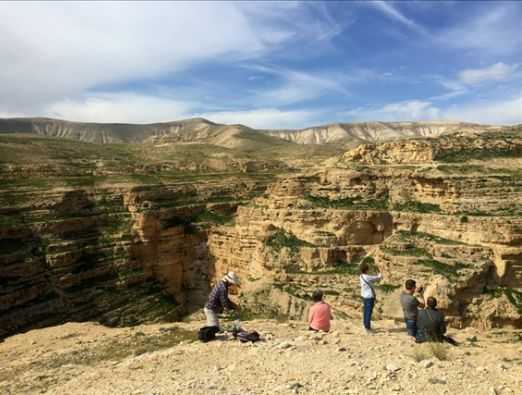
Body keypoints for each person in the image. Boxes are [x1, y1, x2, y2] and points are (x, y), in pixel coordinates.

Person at [359, 261, 382, 333]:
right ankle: (367, 328)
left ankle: (365, 325)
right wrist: (380, 271)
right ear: (367, 270)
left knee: (365, 311)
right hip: (369, 296)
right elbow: (378, 277)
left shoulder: (361, 276)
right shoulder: (367, 277)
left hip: (364, 296)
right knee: (369, 312)